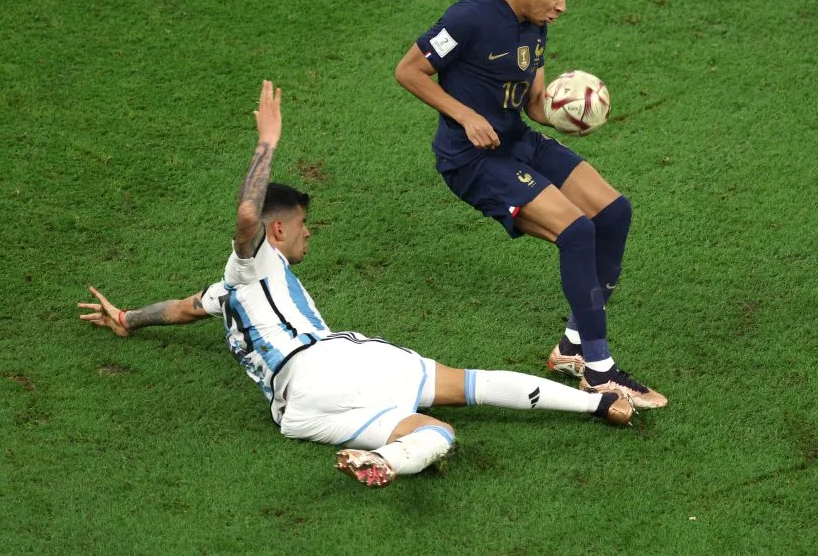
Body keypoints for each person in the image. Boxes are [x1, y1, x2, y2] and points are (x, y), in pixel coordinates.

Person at [79, 80, 635, 489]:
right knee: (471, 385)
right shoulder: (254, 261)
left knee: (434, 434)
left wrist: (127, 318)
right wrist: (268, 141)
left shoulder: (231, 293)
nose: (307, 236)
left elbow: (180, 309)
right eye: (301, 226)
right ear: (278, 230)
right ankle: (598, 402)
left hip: (296, 414)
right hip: (329, 364)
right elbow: (247, 218)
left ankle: (385, 463)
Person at [394, 0, 667, 409]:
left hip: (516, 139)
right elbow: (409, 71)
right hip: (472, 160)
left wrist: (567, 111)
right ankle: (599, 375)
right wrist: (465, 116)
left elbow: (534, 103)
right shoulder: (469, 18)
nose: (561, 7)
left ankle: (571, 348)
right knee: (577, 232)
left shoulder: (536, 26)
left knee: (614, 212)